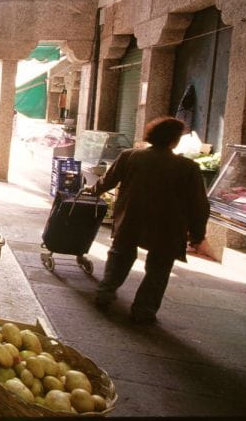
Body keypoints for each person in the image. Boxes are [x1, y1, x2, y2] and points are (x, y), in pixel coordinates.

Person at [85, 117, 210, 324]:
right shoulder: (188, 167)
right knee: (159, 268)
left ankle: (105, 293)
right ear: (174, 141)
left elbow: (107, 182)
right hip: (168, 226)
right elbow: (199, 205)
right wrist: (198, 234)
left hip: (132, 218)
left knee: (120, 255)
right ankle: (144, 310)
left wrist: (93, 191)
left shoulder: (130, 156)